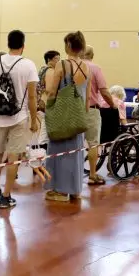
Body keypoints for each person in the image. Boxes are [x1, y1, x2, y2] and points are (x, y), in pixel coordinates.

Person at [0, 30, 38, 208]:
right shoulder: (28, 65)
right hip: (19, 117)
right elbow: (32, 97)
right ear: (23, 45)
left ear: (8, 43)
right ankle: (6, 195)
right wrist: (34, 119)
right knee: (13, 157)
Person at [44, 31, 90, 202]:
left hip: (63, 116)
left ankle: (61, 191)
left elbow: (52, 92)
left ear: (69, 45)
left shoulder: (62, 64)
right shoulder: (86, 67)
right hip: (78, 117)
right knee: (76, 153)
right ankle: (75, 189)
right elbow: (87, 97)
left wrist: (49, 109)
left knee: (59, 153)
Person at [81, 45, 115, 184]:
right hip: (91, 110)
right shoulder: (95, 68)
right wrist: (112, 105)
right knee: (93, 143)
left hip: (74, 110)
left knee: (74, 144)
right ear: (92, 55)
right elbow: (104, 91)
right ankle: (93, 175)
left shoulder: (72, 67)